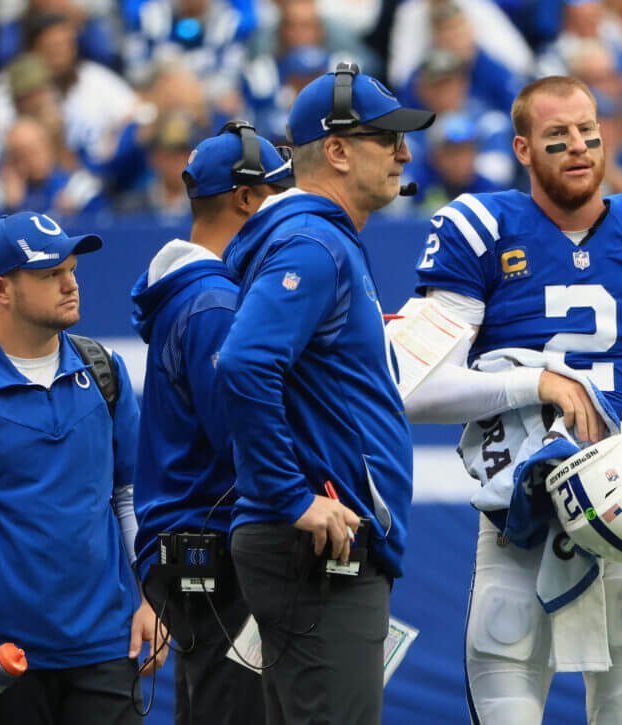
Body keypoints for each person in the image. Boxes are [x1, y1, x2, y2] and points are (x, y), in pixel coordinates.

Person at [406, 76, 622, 724]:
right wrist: (538, 382)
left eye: (588, 131)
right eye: (558, 136)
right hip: (520, 511)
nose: (579, 146)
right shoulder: (480, 228)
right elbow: (416, 389)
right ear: (523, 149)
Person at [217, 63, 433, 724]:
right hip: (318, 549)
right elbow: (243, 365)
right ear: (336, 150)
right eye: (386, 138)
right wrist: (290, 496)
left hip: (313, 546)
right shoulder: (313, 245)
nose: (404, 154)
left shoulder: (319, 239)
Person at [0, 212, 167, 723]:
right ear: (1, 290)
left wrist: (152, 600)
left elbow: (130, 498)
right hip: (1, 657)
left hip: (107, 646)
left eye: (71, 270)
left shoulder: (105, 371)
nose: (71, 284)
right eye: (51, 274)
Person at [132, 123, 293, 725]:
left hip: (198, 547)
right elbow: (241, 438)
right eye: (279, 194)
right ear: (246, 199)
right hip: (222, 549)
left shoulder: (197, 295)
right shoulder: (215, 304)